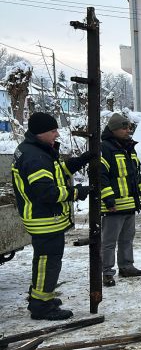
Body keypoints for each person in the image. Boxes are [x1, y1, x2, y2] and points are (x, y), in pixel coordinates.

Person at [11, 113, 92, 320]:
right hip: (44, 219)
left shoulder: (36, 150)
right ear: (40, 132)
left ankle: (40, 297)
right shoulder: (35, 157)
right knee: (48, 261)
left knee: (44, 261)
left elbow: (55, 172)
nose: (57, 134)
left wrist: (79, 161)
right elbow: (46, 193)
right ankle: (41, 306)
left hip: (43, 218)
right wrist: (76, 193)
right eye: (53, 131)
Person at [99, 113, 141, 287]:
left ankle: (127, 266)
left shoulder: (129, 147)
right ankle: (107, 272)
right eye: (124, 127)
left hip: (129, 203)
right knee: (109, 242)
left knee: (127, 239)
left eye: (129, 127)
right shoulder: (105, 148)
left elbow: (136, 175)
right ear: (114, 130)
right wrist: (108, 199)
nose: (128, 130)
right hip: (114, 205)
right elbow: (101, 176)